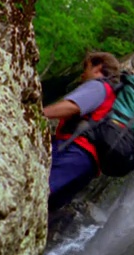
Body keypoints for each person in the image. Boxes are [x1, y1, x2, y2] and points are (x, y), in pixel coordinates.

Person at [43, 52, 120, 210]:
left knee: (37, 191)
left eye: (86, 69)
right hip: (88, 168)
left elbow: (73, 107)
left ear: (98, 67)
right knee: (43, 206)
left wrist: (37, 113)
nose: (82, 76)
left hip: (73, 152)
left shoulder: (98, 87)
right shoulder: (113, 100)